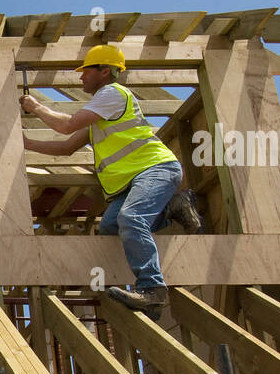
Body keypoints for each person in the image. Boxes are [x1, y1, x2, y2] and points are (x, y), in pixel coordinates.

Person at [20, 44, 201, 320]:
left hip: (155, 168)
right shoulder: (99, 119)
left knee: (131, 218)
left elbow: (67, 124)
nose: (80, 77)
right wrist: (27, 143)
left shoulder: (112, 94)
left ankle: (152, 289)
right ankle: (174, 206)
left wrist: (36, 107)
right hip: (134, 181)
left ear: (105, 71)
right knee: (109, 226)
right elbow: (66, 148)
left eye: (86, 71)